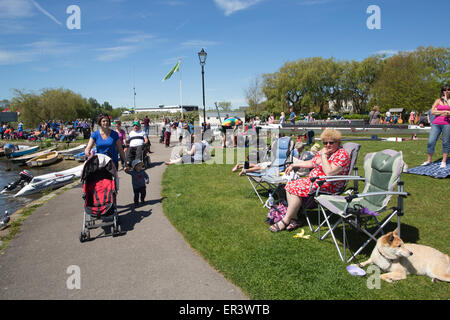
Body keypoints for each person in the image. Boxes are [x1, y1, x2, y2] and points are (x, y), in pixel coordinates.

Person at [269, 129, 350, 232]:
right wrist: (294, 165)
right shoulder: (324, 151)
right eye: (325, 142)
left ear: (338, 142)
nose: (328, 145)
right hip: (314, 181)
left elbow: (329, 172)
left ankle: (285, 220)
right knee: (290, 185)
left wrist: (324, 156)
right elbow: (312, 162)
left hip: (329, 185)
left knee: (295, 188)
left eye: (331, 142)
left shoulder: (342, 155)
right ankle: (294, 218)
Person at [422, 84, 450, 168]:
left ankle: (443, 161)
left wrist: (447, 102)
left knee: (446, 142)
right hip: (436, 124)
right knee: (431, 141)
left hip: (447, 124)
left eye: (448, 89)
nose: (446, 91)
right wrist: (445, 112)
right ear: (442, 91)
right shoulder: (437, 101)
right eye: (444, 90)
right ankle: (429, 160)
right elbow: (432, 112)